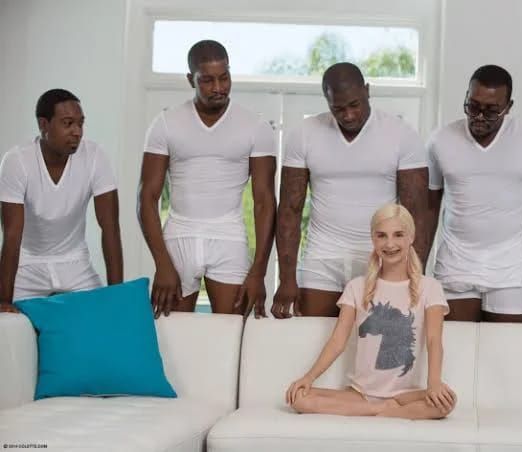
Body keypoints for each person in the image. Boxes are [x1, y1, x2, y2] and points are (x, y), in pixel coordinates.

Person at [273, 62, 429, 318]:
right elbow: (290, 210)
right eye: (338, 108)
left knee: (377, 338)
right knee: (314, 334)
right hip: (322, 255)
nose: (348, 115)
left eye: (354, 105)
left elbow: (417, 214)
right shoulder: (304, 134)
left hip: (380, 255)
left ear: (367, 91)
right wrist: (287, 278)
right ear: (327, 101)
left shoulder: (401, 134)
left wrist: (413, 274)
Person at [138, 40, 276, 318]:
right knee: (172, 332)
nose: (218, 87)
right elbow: (147, 197)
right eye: (207, 80)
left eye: (224, 77)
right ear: (191, 79)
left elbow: (264, 201)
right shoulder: (166, 122)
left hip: (228, 236)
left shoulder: (255, 125)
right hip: (179, 235)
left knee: (233, 331)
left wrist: (259, 271)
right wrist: (162, 264)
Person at [286, 204, 455, 420]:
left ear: (411, 237)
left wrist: (434, 383)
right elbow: (337, 341)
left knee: (447, 402)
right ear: (373, 239)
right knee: (299, 399)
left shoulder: (430, 288)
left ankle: (381, 410)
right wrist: (309, 377)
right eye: (381, 235)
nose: (390, 243)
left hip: (405, 395)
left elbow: (433, 340)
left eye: (398, 235)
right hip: (360, 394)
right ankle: (384, 410)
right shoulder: (356, 287)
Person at [427, 65, 522, 322]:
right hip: (455, 265)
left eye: (490, 111)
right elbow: (428, 208)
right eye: (473, 106)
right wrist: (415, 273)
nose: (479, 116)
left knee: (507, 346)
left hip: (510, 268)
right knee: (456, 344)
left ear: (508, 107)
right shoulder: (440, 140)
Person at [0, 88, 123, 312]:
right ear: (43, 125)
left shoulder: (95, 156)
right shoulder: (17, 161)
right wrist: (4, 301)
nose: (77, 132)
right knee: (11, 324)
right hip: (27, 264)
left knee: (101, 317)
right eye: (68, 123)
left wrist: (116, 295)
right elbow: (12, 235)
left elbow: (110, 228)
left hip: (75, 263)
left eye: (81, 123)